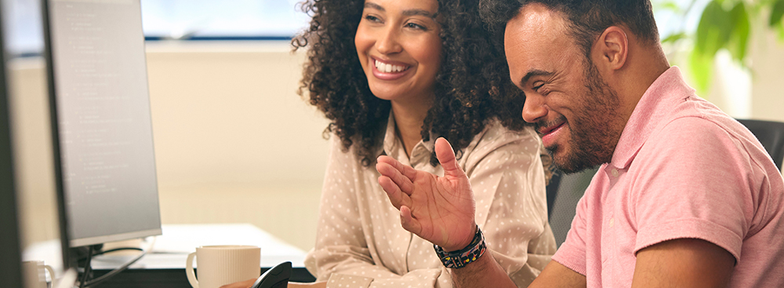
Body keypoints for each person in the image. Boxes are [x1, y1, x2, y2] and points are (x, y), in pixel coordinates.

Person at [375, 0, 784, 287]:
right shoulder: (616, 173)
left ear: (612, 49)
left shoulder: (687, 147)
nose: (528, 111)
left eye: (541, 84)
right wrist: (465, 246)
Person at [222, 0, 556, 287]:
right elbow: (333, 260)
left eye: (414, 24)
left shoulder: (506, 145)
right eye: (373, 17)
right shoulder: (356, 127)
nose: (384, 44)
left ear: (460, 42)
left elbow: (470, 282)